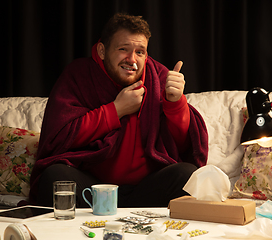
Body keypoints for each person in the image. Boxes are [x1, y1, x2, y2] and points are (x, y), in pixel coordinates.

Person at [29, 13, 208, 208]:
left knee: (187, 175)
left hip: (146, 190)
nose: (132, 60)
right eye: (123, 49)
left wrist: (176, 104)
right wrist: (115, 110)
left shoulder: (160, 77)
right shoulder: (78, 75)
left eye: (140, 52)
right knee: (54, 177)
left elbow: (182, 146)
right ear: (102, 50)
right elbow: (60, 137)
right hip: (92, 189)